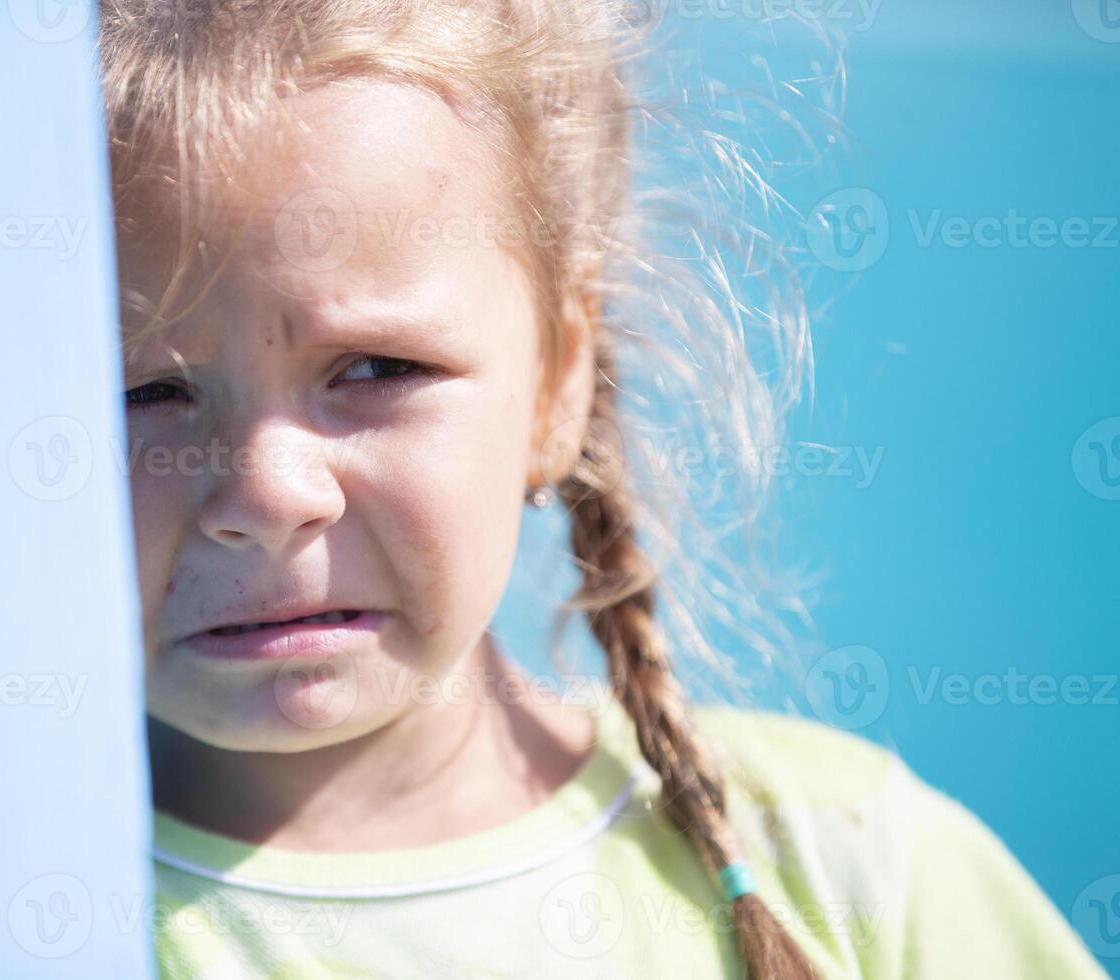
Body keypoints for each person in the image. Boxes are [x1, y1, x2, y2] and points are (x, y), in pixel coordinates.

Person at [98, 1, 1107, 976]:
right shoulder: (8, 911)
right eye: (146, 389)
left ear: (558, 383)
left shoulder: (859, 860)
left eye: (374, 368)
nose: (269, 492)